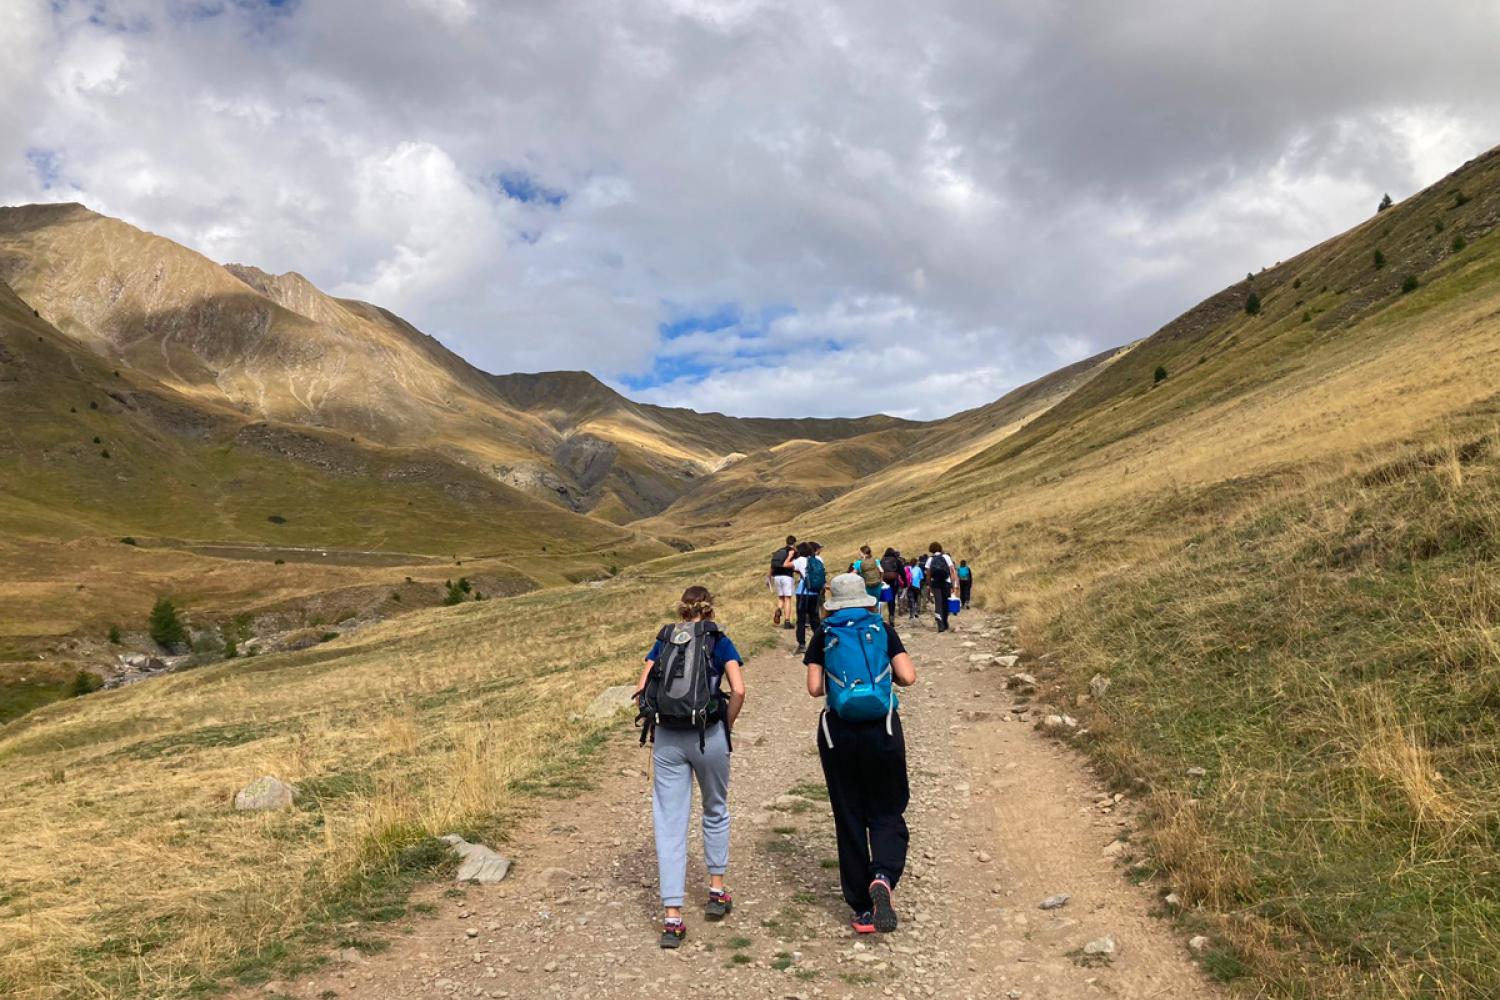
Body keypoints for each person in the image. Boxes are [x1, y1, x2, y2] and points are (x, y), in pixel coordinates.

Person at [804, 573, 917, 935]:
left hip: (838, 734)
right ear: (866, 599)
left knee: (849, 813)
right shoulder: (881, 628)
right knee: (887, 807)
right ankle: (883, 875)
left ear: (832, 604)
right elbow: (908, 676)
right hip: (882, 728)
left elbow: (813, 688)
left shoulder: (824, 633)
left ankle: (861, 908)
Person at [634, 586, 747, 948]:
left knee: (669, 822)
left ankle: (672, 917)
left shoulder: (665, 639)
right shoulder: (718, 640)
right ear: (710, 608)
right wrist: (725, 725)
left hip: (667, 738)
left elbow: (642, 689)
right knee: (715, 808)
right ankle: (716, 892)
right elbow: (740, 690)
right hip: (709, 735)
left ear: (682, 611)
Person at [793, 541, 826, 655]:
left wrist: (791, 555)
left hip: (803, 592)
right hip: (815, 592)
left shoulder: (800, 560)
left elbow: (785, 565)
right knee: (814, 618)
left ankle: (802, 644)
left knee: (801, 619)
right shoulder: (818, 560)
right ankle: (820, 642)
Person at [926, 542, 959, 632]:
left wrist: (928, 585)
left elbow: (928, 574)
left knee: (938, 603)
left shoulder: (930, 559)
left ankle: (940, 624)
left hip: (935, 583)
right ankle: (945, 621)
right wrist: (953, 584)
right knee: (945, 603)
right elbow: (952, 571)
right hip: (946, 583)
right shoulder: (946, 557)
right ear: (940, 548)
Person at [769, 535, 797, 630]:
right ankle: (787, 622)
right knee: (788, 599)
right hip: (787, 576)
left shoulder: (779, 551)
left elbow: (772, 566)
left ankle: (779, 609)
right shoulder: (792, 551)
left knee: (781, 597)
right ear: (794, 543)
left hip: (777, 577)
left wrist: (769, 576)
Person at [879, 547, 903, 626]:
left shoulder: (882, 560)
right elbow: (902, 572)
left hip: (884, 581)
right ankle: (891, 616)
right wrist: (905, 583)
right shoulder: (896, 560)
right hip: (893, 581)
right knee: (892, 599)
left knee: (886, 599)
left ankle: (882, 616)